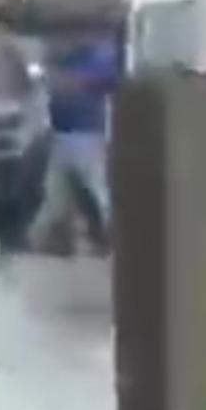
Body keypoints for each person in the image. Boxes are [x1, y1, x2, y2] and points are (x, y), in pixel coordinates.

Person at [45, 31, 120, 254]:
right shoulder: (66, 64)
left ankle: (108, 236)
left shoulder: (95, 60)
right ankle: (64, 239)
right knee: (58, 190)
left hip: (86, 135)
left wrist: (72, 81)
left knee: (97, 190)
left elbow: (107, 81)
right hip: (63, 135)